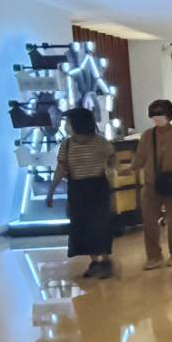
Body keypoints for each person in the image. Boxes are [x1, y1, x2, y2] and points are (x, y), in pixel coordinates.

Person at [46, 107, 115, 278]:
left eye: (68, 122)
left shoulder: (100, 142)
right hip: (77, 189)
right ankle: (95, 261)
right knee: (82, 225)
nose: (66, 126)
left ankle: (106, 260)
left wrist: (112, 171)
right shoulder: (67, 144)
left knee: (100, 225)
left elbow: (112, 159)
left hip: (97, 188)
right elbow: (61, 168)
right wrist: (51, 190)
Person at [129, 98, 172, 270]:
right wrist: (130, 169)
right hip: (151, 183)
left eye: (160, 113)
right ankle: (154, 256)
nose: (156, 117)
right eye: (153, 114)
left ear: (169, 115)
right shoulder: (148, 135)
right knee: (149, 222)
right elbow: (140, 157)